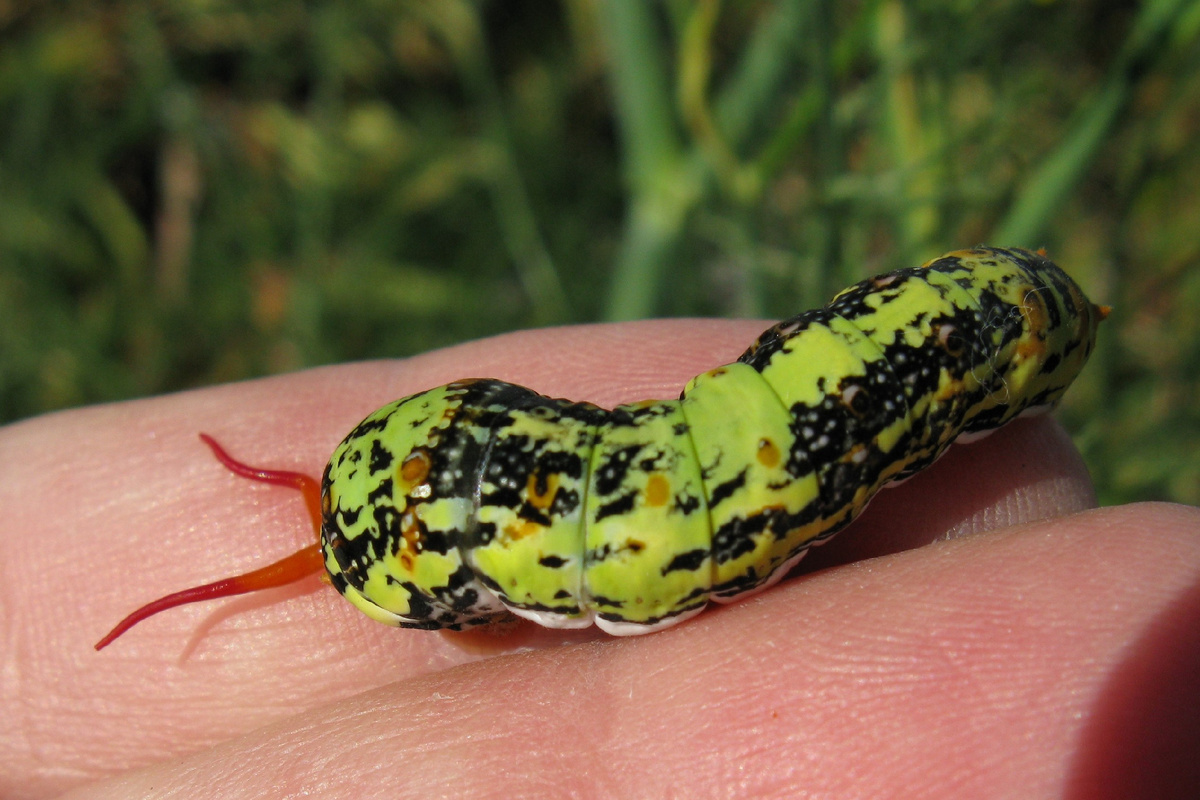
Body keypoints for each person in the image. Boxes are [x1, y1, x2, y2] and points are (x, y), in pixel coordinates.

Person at [3, 320, 1197, 799]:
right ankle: (1005, 325)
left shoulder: (583, 560)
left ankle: (1007, 331)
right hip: (925, 339)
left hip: (953, 347)